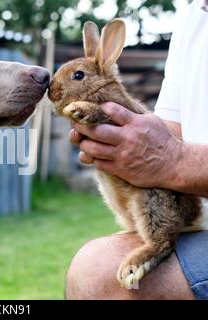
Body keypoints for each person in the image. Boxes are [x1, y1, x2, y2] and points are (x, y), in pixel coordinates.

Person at [65, 0, 208, 300]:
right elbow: (169, 132)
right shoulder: (193, 15)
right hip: (198, 220)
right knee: (94, 263)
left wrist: (175, 160)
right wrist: (124, 148)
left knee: (98, 276)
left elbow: (171, 154)